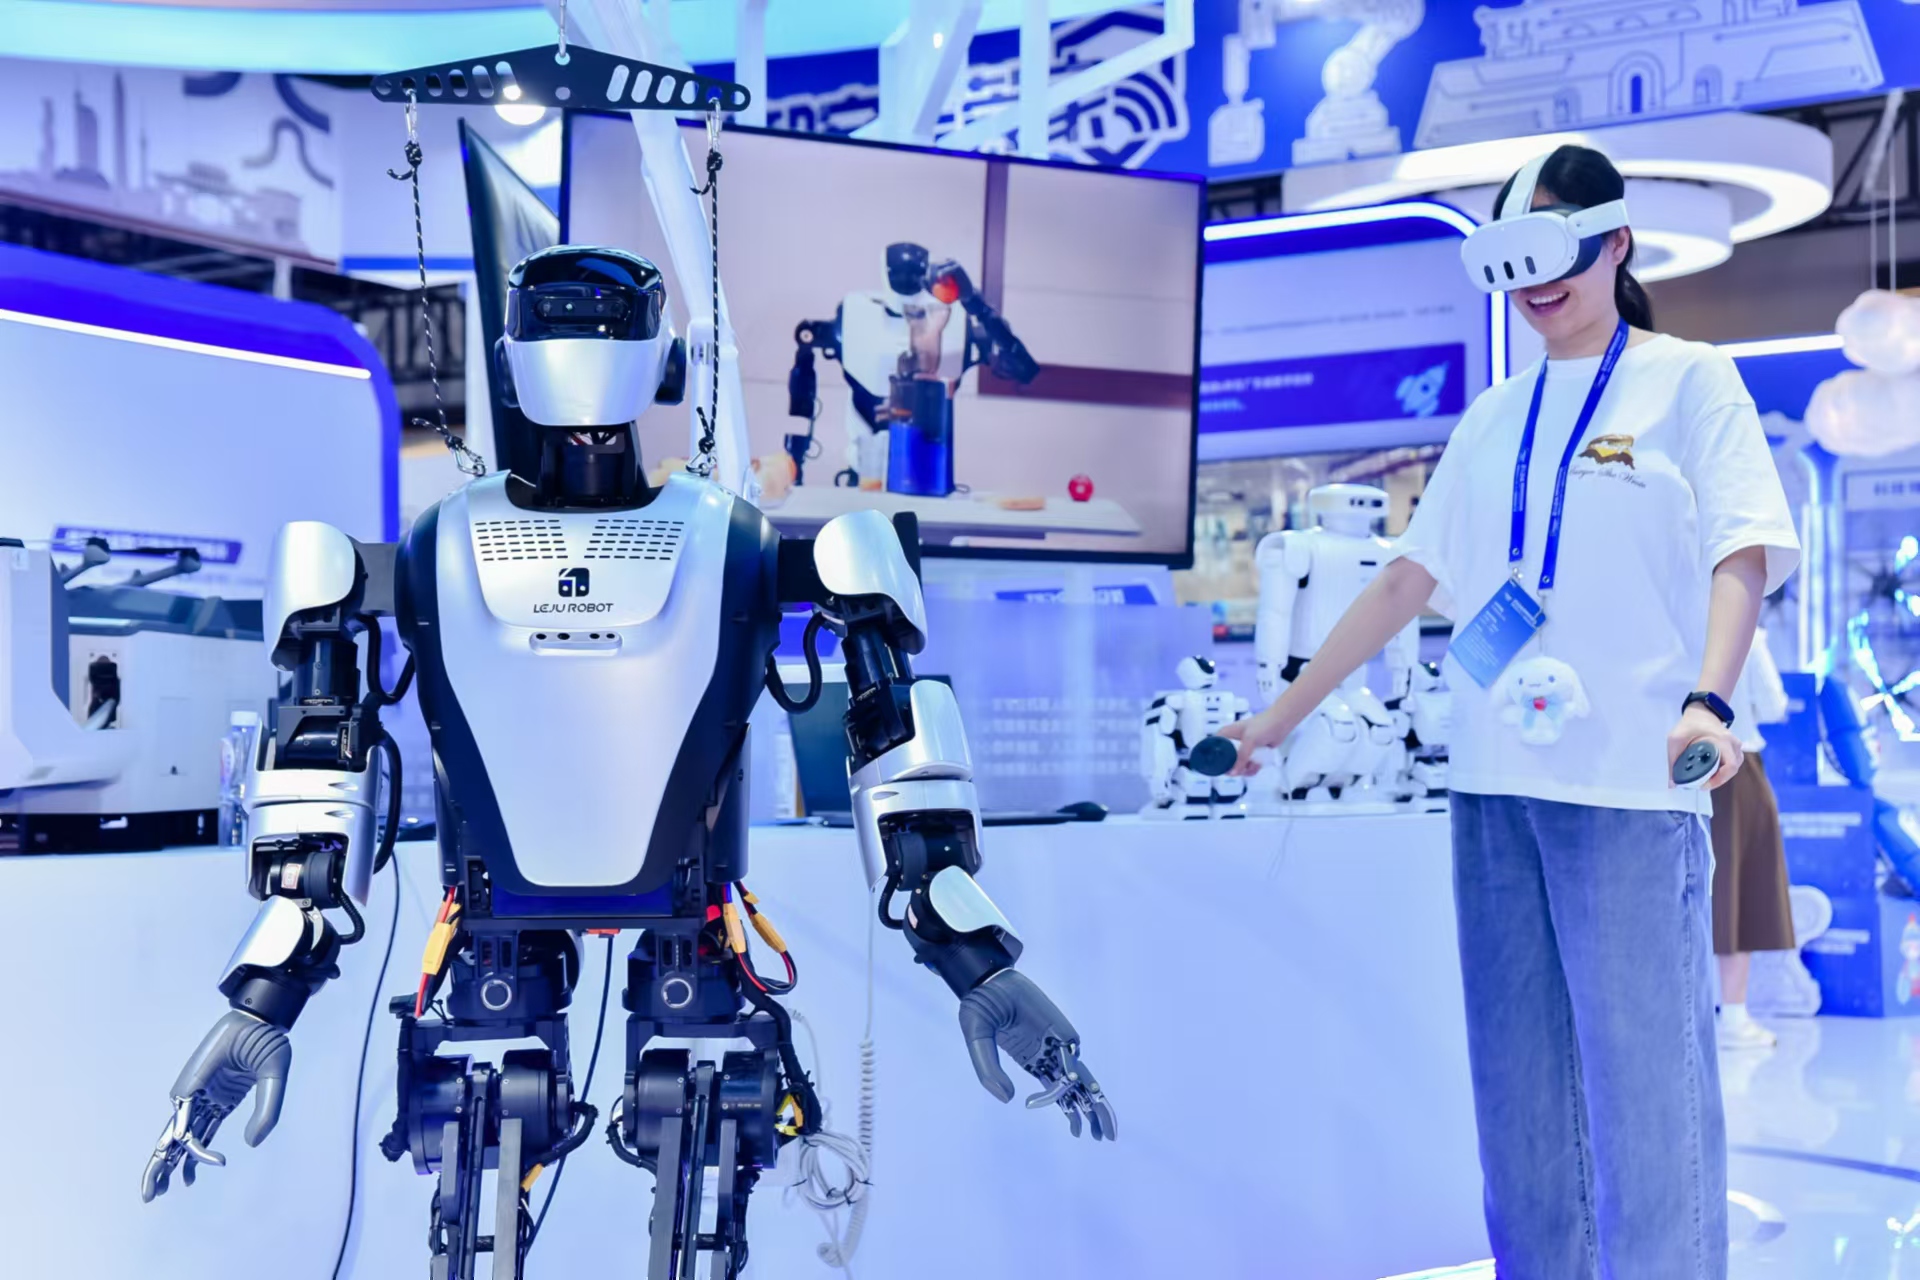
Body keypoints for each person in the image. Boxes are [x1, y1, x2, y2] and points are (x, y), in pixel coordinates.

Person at [1221, 144, 1799, 1279]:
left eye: (1557, 253)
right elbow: (1406, 579)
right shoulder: (1493, 415)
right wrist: (1276, 718)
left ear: (1615, 242)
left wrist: (1708, 699)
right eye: (1513, 262)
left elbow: (1744, 549)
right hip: (1493, 786)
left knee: (1648, 1099)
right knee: (1519, 1103)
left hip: (1631, 787)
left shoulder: (1689, 381)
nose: (1538, 285)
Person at [1713, 630, 1794, 1051]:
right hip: (1736, 764)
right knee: (1737, 889)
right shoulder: (1746, 633)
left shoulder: (1673, 622)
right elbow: (1774, 703)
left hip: (1676, 766)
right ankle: (1733, 1016)